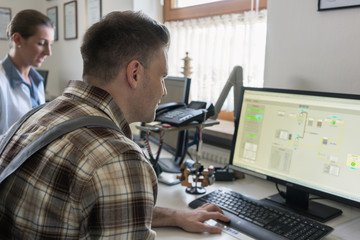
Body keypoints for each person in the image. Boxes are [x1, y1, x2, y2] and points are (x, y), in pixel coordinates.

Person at [0, 11, 229, 239]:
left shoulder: (34, 117)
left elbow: (98, 208)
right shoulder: (118, 159)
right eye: (162, 77)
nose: (164, 91)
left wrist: (174, 216)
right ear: (135, 74)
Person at [0, 9, 54, 137]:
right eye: (41, 43)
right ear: (18, 40)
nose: (48, 52)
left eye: (50, 44)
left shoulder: (37, 81)